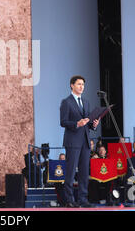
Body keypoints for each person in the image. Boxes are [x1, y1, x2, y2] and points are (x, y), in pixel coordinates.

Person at [60, 75, 100, 208]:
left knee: (84, 172)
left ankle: (83, 199)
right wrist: (77, 123)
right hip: (72, 142)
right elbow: (63, 122)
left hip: (85, 141)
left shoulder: (86, 102)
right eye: (78, 84)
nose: (81, 86)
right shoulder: (66, 102)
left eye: (83, 84)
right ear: (72, 85)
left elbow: (87, 123)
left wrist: (94, 124)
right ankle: (69, 200)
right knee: (71, 172)